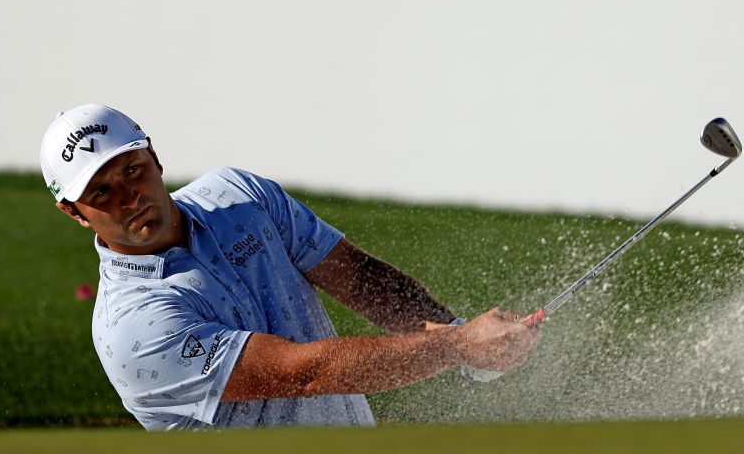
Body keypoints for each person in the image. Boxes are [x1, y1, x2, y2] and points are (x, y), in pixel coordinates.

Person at [40, 104, 539, 431]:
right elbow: (305, 374)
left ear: (155, 157)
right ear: (73, 212)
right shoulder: (132, 326)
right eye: (101, 192)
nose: (130, 197)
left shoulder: (237, 196)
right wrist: (455, 348)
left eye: (133, 170)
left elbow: (359, 278)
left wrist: (464, 338)